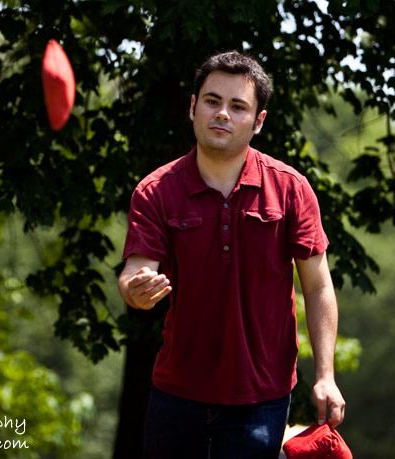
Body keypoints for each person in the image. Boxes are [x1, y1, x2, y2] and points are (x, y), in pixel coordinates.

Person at [118, 51, 345, 459]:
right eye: (212, 101)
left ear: (258, 121)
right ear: (193, 107)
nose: (222, 113)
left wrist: (325, 376)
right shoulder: (155, 191)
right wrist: (135, 290)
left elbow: (318, 287)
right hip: (177, 390)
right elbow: (137, 270)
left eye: (238, 106)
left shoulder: (291, 189)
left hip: (262, 396)